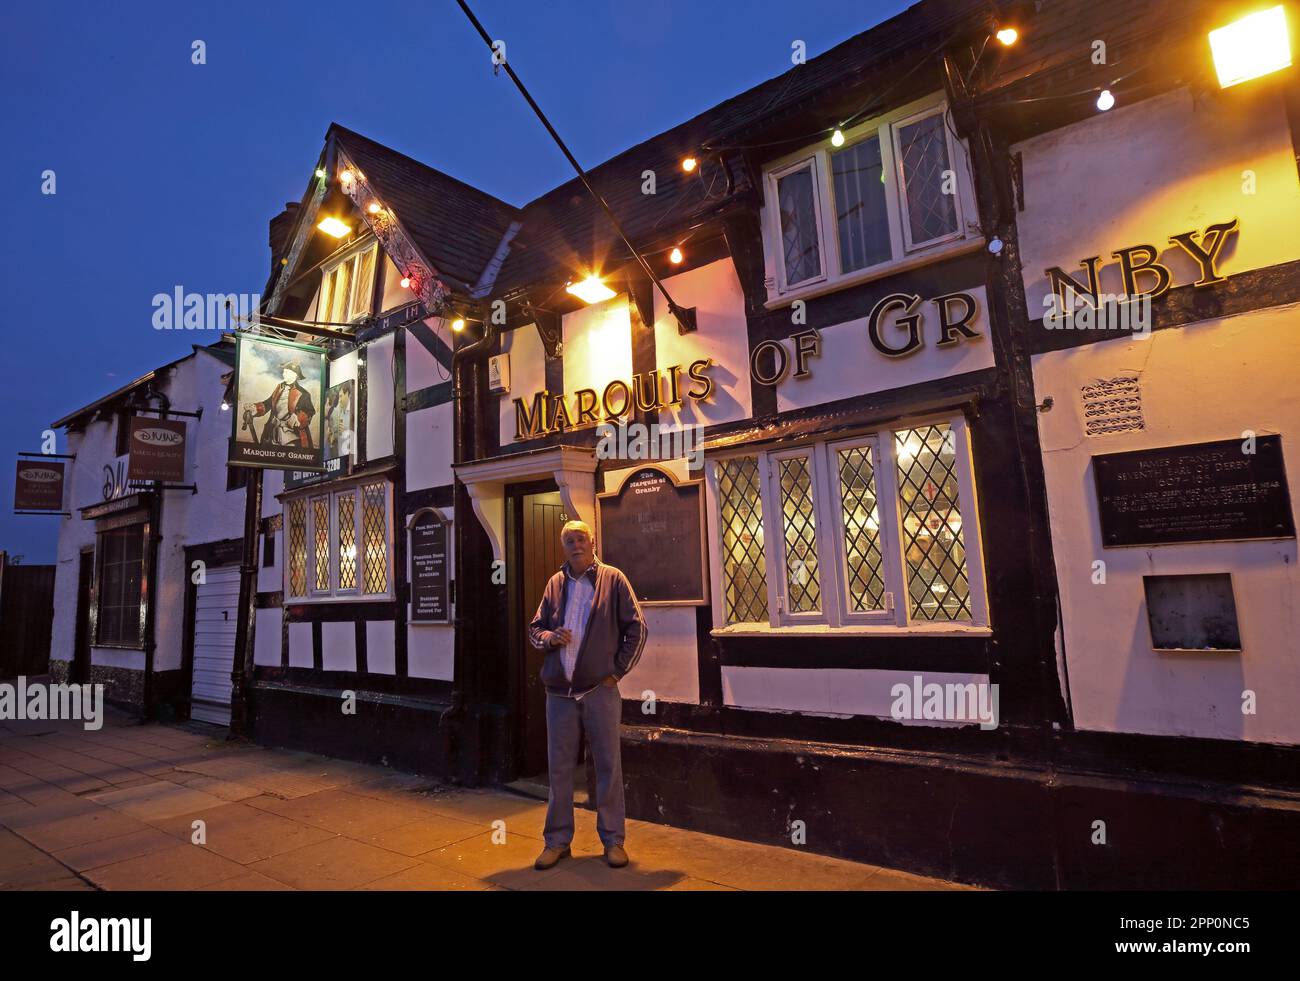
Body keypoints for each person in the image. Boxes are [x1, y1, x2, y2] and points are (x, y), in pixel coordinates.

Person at [527, 519, 646, 870]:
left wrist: (616, 673)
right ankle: (557, 842)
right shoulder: (555, 583)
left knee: (608, 766)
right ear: (563, 547)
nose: (575, 545)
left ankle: (613, 841)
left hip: (599, 691)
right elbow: (535, 629)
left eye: (581, 539)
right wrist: (550, 638)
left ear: (592, 543)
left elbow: (637, 628)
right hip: (559, 694)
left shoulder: (613, 579)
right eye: (568, 541)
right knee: (559, 769)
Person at [243, 360, 315, 448]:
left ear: (295, 375)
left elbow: (310, 412)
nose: (283, 374)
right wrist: (255, 408)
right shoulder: (279, 387)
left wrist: (298, 418)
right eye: (284, 372)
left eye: (287, 372)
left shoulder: (304, 394)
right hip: (273, 431)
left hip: (292, 434)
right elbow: (269, 403)